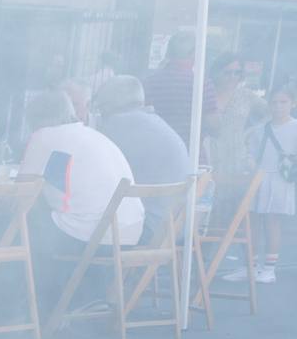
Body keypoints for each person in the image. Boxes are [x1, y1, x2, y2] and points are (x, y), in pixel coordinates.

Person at [16, 89, 141, 299]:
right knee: (39, 224)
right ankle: (59, 303)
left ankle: (15, 309)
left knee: (8, 227)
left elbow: (20, 193)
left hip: (89, 236)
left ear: (35, 119)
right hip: (129, 234)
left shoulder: (43, 135)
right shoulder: (95, 136)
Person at [92, 75, 191, 237]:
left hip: (144, 230)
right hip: (173, 231)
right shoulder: (157, 124)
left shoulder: (116, 126)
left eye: (100, 108)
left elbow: (93, 177)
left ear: (109, 106)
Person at [205, 53, 265, 279]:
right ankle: (201, 263)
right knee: (210, 215)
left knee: (239, 213)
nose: (232, 77)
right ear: (217, 70)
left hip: (236, 161)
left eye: (237, 72)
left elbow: (270, 117)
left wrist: (250, 140)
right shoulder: (206, 90)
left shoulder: (246, 96)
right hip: (208, 157)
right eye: (227, 71)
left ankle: (248, 263)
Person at [245, 85, 297, 284]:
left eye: (283, 102)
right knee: (253, 220)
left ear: (292, 103)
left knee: (272, 221)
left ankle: (269, 268)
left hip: (281, 179)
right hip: (259, 177)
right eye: (274, 102)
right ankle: (251, 265)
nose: (278, 107)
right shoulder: (261, 128)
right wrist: (251, 165)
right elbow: (251, 152)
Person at [143, 30, 215, 146]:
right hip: (191, 154)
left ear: (169, 52)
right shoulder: (201, 84)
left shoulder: (150, 81)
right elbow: (213, 125)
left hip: (157, 148)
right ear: (194, 53)